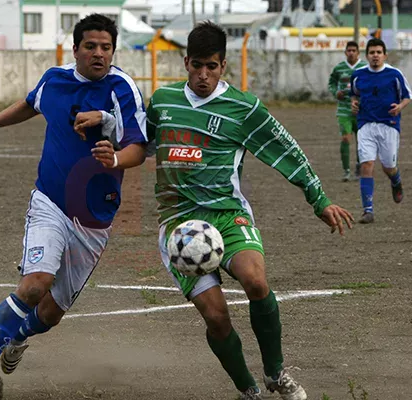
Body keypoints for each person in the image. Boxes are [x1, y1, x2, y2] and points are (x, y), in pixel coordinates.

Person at [0, 14, 148, 400]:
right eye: (91, 46)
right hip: (51, 200)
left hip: (93, 216)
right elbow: (30, 103)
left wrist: (115, 158)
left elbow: (139, 145)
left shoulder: (122, 89)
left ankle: (15, 338)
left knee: (51, 314)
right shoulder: (54, 79)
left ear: (113, 52)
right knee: (35, 285)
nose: (99, 54)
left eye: (106, 47)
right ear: (75, 49)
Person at [146, 21, 354, 400]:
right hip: (179, 225)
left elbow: (286, 151)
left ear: (223, 65)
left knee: (256, 282)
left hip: (227, 214)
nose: (203, 75)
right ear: (185, 63)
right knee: (216, 317)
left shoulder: (244, 108)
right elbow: (138, 142)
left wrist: (319, 199)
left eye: (211, 66)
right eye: (196, 66)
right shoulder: (162, 101)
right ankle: (249, 390)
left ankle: (276, 373)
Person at [350, 38, 412, 224]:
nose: (375, 56)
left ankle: (396, 181)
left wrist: (400, 107)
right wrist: (354, 104)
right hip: (365, 125)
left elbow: (408, 96)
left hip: (389, 125)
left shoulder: (394, 74)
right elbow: (354, 94)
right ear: (367, 55)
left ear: (385, 55)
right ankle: (367, 210)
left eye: (378, 52)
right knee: (366, 165)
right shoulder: (358, 75)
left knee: (388, 166)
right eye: (372, 53)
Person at [328, 41, 367, 181]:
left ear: (358, 52)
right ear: (345, 52)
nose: (351, 53)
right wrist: (335, 92)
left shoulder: (364, 67)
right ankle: (346, 171)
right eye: (348, 50)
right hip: (344, 110)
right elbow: (331, 82)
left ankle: (358, 166)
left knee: (361, 140)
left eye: (353, 50)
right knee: (345, 138)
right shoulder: (339, 68)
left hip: (361, 110)